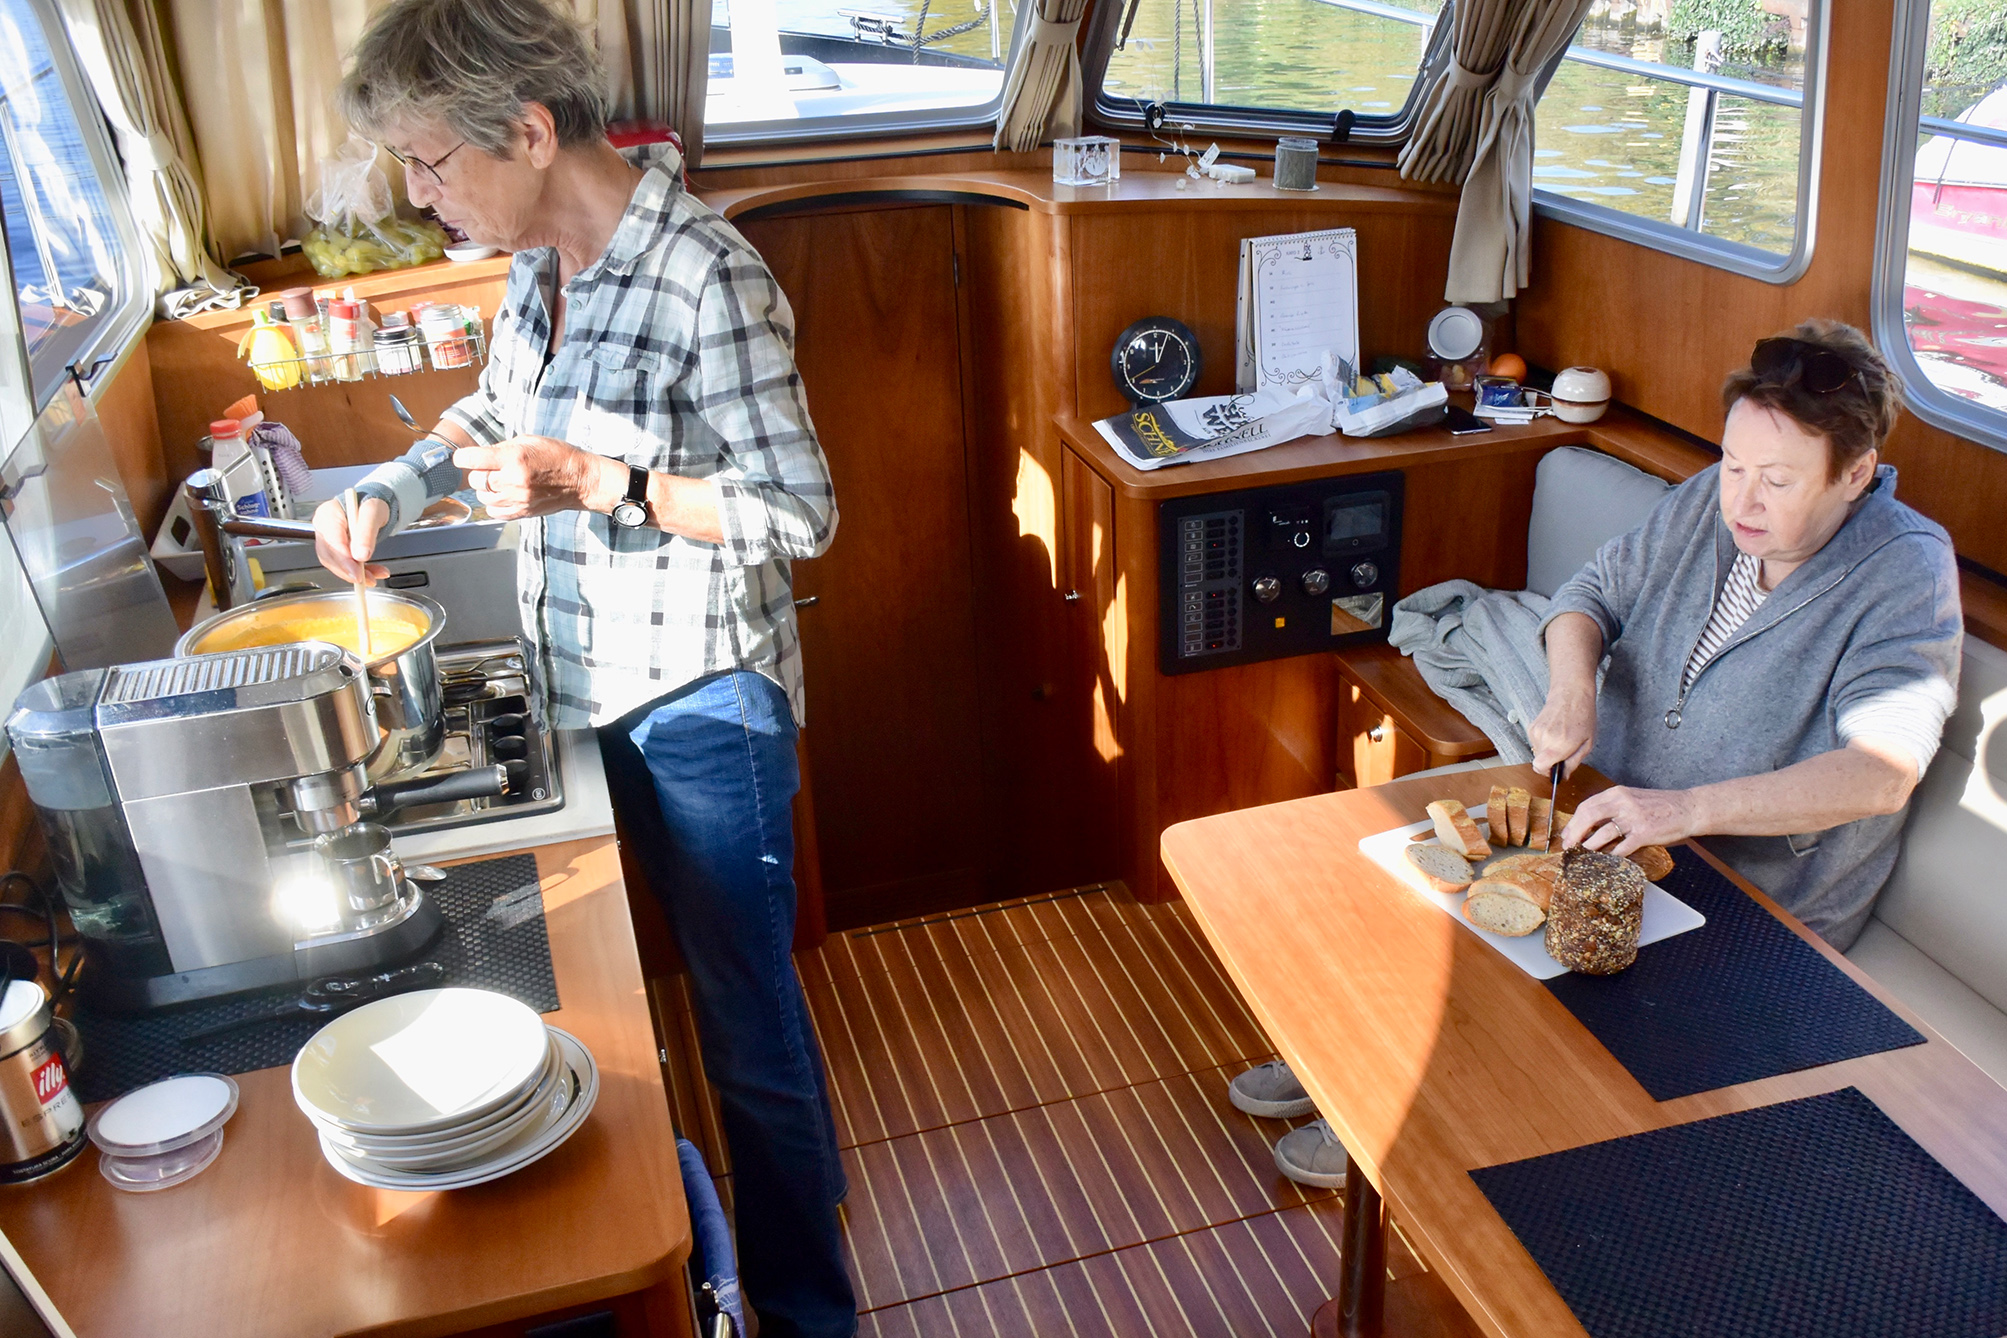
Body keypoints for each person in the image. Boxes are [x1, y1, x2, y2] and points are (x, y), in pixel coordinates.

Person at [317, 2, 855, 1333]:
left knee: (746, 1022)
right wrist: (397, 481)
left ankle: (808, 1309)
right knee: (660, 1000)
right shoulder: (539, 261)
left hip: (701, 702)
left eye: (430, 161)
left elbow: (799, 513)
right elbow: (497, 407)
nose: (419, 194)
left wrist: (600, 481)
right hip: (581, 682)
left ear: (527, 131)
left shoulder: (705, 275)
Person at [1529, 319, 1961, 949]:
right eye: (1733, 465)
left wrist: (1685, 810)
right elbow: (1590, 594)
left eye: (1778, 482)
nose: (1740, 503)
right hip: (1606, 831)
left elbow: (1881, 774)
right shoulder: (1713, 496)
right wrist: (1571, 693)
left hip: (1753, 902)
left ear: (1855, 474)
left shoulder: (1909, 573)